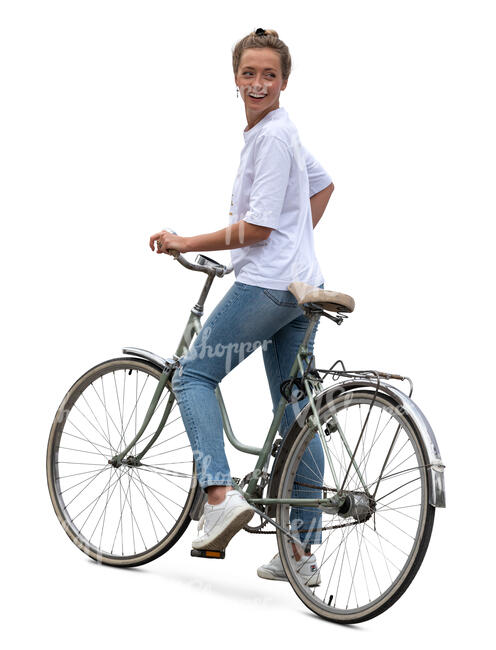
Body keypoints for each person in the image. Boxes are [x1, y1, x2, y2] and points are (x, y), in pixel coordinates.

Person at [149, 28, 334, 585]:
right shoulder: (279, 134)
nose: (258, 83)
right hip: (300, 288)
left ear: (284, 81)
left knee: (192, 376)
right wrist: (295, 243)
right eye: (249, 73)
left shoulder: (274, 138)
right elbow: (323, 188)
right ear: (235, 78)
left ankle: (218, 497)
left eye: (269, 75)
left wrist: (185, 242)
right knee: (298, 414)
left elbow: (256, 227)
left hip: (268, 288)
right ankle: (301, 553)